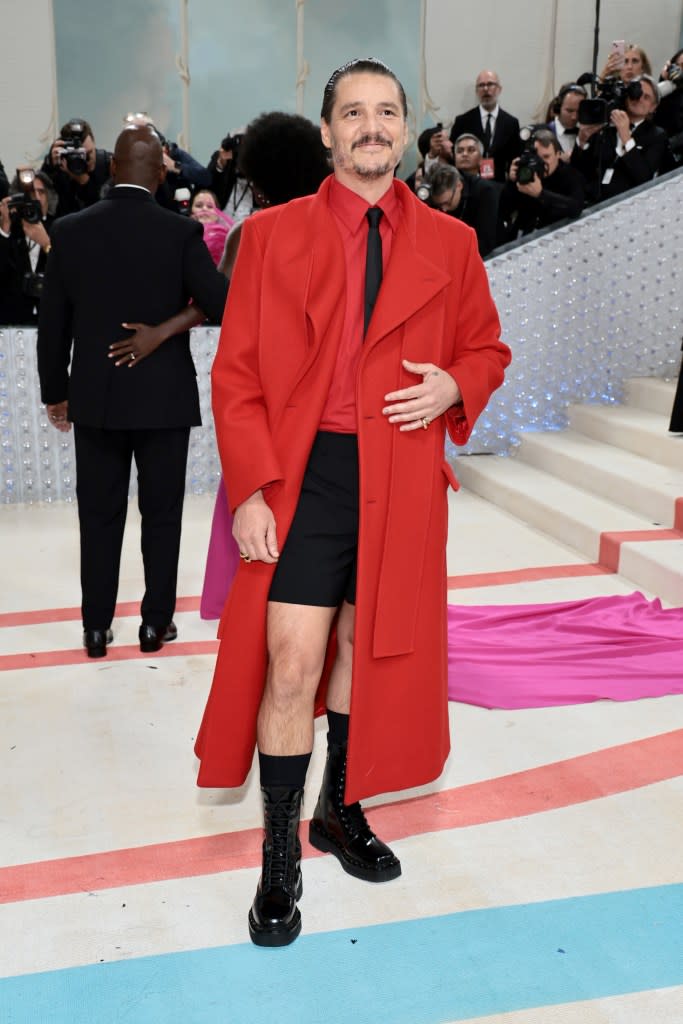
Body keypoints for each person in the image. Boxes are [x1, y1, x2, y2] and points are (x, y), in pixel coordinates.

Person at [194, 57, 510, 948]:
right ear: (328, 131)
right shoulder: (272, 237)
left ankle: (340, 810)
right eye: (352, 113)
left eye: (386, 112)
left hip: (400, 480)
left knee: (358, 657)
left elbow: (488, 351)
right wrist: (252, 489)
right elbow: (237, 376)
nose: (370, 127)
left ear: (404, 130)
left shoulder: (449, 244)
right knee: (290, 665)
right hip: (304, 481)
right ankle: (278, 859)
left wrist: (455, 383)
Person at [36, 124, 227, 658]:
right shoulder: (181, 233)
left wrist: (56, 391)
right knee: (162, 513)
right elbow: (220, 303)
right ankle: (154, 625)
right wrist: (166, 330)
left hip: (95, 398)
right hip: (164, 400)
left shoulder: (70, 230)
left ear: (113, 170)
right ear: (159, 172)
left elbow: (54, 323)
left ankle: (95, 629)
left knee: (98, 514)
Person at [200, 111, 331, 618]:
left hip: (268, 405)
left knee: (261, 535)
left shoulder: (251, 235)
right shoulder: (336, 232)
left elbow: (224, 310)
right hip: (322, 407)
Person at [571, 74, 669, 204]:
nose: (639, 98)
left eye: (646, 97)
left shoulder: (656, 135)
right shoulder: (605, 125)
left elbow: (644, 178)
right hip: (592, 204)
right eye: (636, 92)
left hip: (629, 204)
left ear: (653, 107)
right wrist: (582, 141)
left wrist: (627, 139)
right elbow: (579, 170)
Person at [501, 129, 584, 238]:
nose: (541, 162)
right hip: (524, 233)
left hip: (556, 235)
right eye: (537, 157)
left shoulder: (571, 175)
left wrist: (541, 194)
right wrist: (511, 182)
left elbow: (575, 208)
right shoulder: (527, 171)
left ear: (558, 154)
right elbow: (504, 209)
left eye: (546, 157)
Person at [0, 170, 56, 325]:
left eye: (41, 192)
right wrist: (4, 229)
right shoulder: (10, 231)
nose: (36, 198)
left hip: (50, 320)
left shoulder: (61, 228)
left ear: (48, 197)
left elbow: (70, 273)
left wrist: (46, 243)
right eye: (31, 193)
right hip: (11, 321)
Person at [450, 70, 521, 182]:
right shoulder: (462, 121)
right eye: (481, 85)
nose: (486, 89)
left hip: (499, 186)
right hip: (468, 184)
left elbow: (515, 158)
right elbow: (453, 154)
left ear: (499, 89)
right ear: (476, 91)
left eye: (490, 84)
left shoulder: (511, 123)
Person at [423, 163, 502, 257]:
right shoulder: (432, 196)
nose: (444, 209)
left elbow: (485, 244)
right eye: (439, 205)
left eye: (447, 203)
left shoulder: (484, 192)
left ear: (459, 185)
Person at [41, 118, 113, 217]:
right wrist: (49, 168)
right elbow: (44, 204)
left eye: (89, 152)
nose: (88, 159)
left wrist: (84, 181)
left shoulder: (108, 165)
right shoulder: (59, 164)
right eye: (79, 154)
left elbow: (105, 211)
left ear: (94, 142)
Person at [189, 189, 233, 266]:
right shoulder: (182, 233)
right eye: (199, 206)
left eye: (209, 206)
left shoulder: (230, 236)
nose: (204, 209)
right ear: (191, 211)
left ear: (218, 212)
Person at [548, 83, 587, 157]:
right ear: (558, 108)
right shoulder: (545, 132)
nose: (574, 117)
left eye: (579, 112)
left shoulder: (587, 134)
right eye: (569, 111)